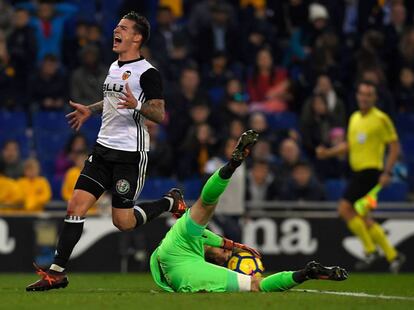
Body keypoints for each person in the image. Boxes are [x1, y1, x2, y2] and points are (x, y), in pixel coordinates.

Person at [26, 12, 187, 291]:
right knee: (75, 206)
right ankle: (57, 273)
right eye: (116, 26)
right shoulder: (114, 66)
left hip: (129, 154)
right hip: (102, 150)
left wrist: (137, 105)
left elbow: (159, 114)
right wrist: (90, 109)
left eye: (123, 28)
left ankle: (170, 202)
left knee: (123, 222)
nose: (116, 30)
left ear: (137, 37)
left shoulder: (148, 73)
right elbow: (113, 99)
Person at [150, 130, 348, 293]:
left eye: (226, 254)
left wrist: (235, 245)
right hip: (184, 269)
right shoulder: (199, 266)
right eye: (228, 255)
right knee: (256, 285)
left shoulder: (198, 240)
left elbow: (214, 240)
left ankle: (231, 165)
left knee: (206, 202)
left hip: (176, 244)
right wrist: (235, 245)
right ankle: (305, 274)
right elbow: (216, 242)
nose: (226, 252)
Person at [316, 80, 406, 273]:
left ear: (374, 98)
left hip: (371, 172)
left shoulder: (381, 119)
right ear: (357, 96)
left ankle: (370, 250)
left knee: (344, 208)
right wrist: (328, 153)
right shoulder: (355, 117)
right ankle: (393, 256)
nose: (364, 98)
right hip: (358, 172)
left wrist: (387, 172)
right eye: (362, 94)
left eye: (368, 94)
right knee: (364, 217)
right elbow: (349, 145)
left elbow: (394, 146)